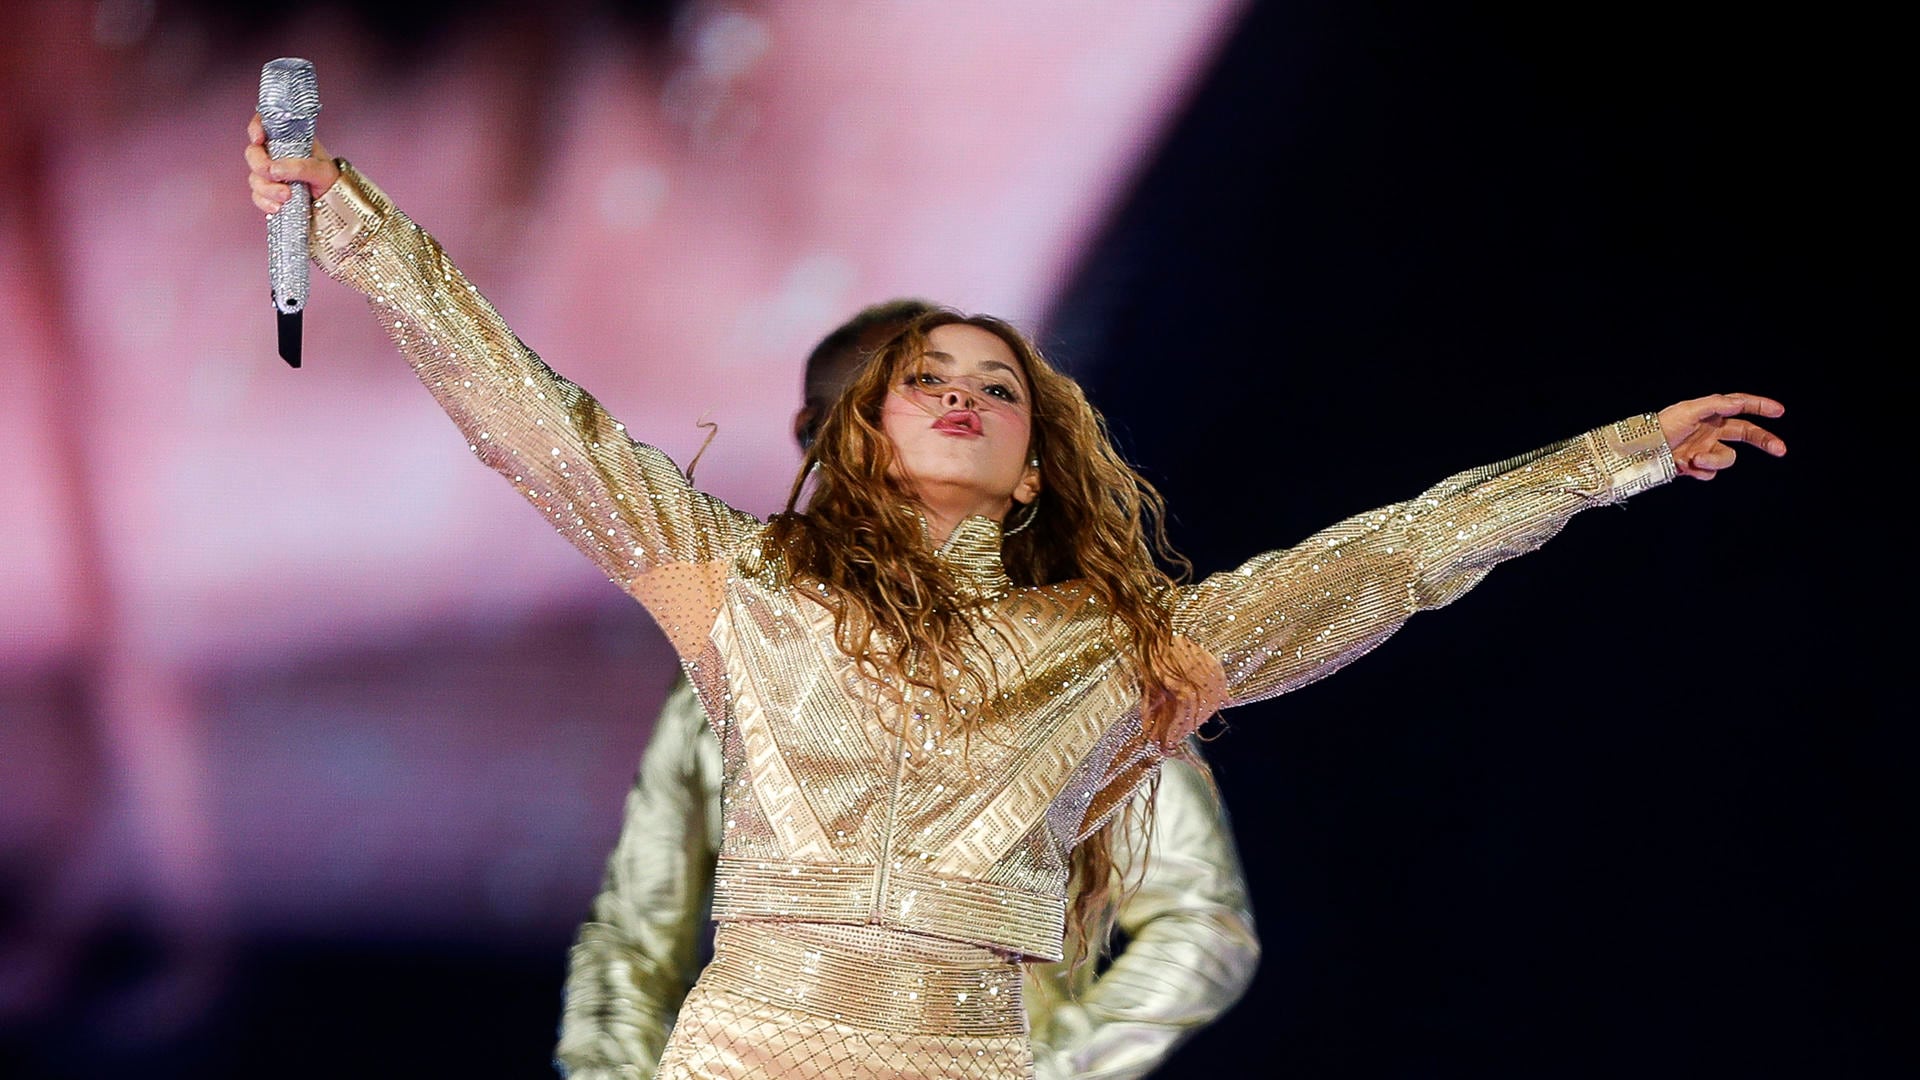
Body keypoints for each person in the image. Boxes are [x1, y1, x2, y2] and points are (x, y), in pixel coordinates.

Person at [245, 120, 1786, 1079]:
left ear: (1044, 464)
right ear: (868, 433)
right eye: (929, 379)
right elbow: (531, 421)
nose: (964, 394)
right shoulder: (749, 588)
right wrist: (361, 228)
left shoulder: (1118, 651)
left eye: (999, 384)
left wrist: (1617, 459)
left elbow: (1374, 566)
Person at [551, 301, 1262, 1080]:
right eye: (903, 393)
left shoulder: (1085, 675)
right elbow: (631, 937)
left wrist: (1046, 1069)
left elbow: (1199, 921)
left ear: (1030, 465)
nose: (949, 406)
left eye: (988, 392)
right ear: (823, 435)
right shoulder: (728, 665)